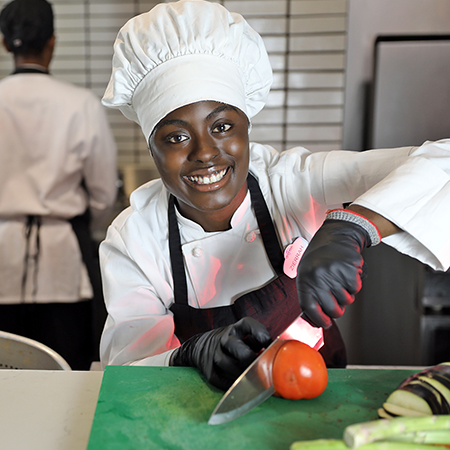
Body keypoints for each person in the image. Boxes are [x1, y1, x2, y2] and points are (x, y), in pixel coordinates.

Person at [99, 0, 450, 390]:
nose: (204, 153)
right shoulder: (134, 237)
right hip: (194, 408)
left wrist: (354, 226)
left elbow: (442, 165)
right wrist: (185, 354)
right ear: (152, 149)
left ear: (247, 129)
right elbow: (126, 367)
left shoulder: (295, 183)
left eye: (222, 126)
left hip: (317, 398)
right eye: (176, 137)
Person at [0, 0, 118, 370]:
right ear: (52, 43)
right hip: (63, 259)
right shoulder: (80, 104)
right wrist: (90, 225)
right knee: (66, 371)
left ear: (5, 44)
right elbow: (102, 192)